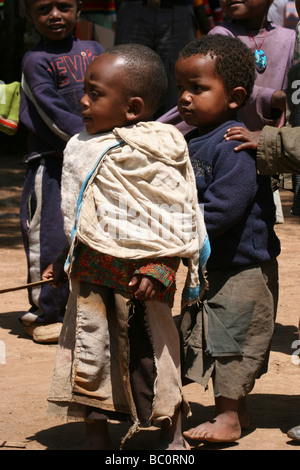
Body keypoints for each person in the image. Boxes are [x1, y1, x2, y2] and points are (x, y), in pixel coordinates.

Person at [43, 43, 210, 450]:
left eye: (95, 94)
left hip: (143, 283)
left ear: (133, 107)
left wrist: (161, 268)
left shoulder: (161, 150)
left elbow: (171, 218)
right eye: (85, 90)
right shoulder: (83, 147)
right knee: (91, 356)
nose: (82, 101)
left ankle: (172, 436)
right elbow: (84, 215)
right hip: (93, 279)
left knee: (151, 357)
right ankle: (96, 437)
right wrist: (66, 258)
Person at [175, 34, 281, 443]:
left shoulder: (233, 144)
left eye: (197, 88)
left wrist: (177, 229)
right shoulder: (190, 137)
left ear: (235, 96)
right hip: (213, 263)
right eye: (181, 86)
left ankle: (229, 419)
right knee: (212, 334)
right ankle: (238, 412)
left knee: (233, 340)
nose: (184, 98)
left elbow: (224, 209)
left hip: (244, 266)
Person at [19, 0, 104, 343]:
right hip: (51, 161)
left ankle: (83, 308)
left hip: (92, 155)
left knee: (89, 231)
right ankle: (45, 312)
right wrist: (95, 135)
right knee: (49, 235)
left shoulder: (94, 49)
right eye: (43, 10)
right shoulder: (35, 61)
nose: (55, 16)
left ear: (78, 10)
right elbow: (50, 111)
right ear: (30, 16)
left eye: (63, 7)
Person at [114, 0, 208, 117]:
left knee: (179, 80)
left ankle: (175, 131)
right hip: (135, 8)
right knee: (127, 76)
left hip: (178, 11)